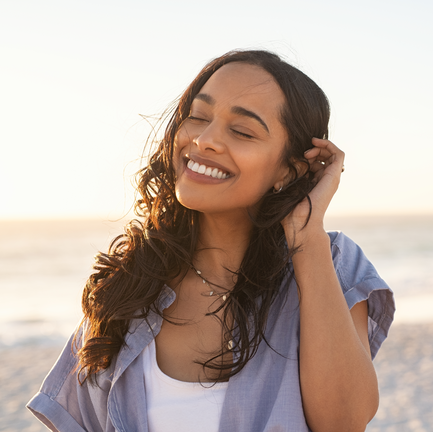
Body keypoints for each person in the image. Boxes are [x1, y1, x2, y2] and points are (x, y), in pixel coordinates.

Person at [27, 49, 395, 432]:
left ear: (289, 169)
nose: (204, 140)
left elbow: (345, 422)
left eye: (242, 131)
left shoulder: (331, 263)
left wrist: (307, 237)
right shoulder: (126, 287)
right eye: (198, 117)